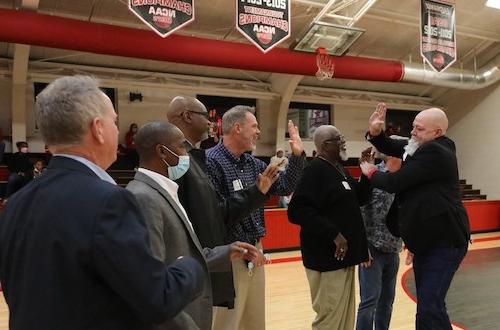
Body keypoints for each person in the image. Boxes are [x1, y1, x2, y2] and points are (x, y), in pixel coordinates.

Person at [0, 75, 204, 329]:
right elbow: (157, 299)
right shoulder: (109, 202)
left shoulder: (16, 203)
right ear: (97, 128)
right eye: (114, 122)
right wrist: (191, 265)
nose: (117, 130)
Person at [126, 121, 261, 330]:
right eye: (181, 146)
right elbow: (152, 284)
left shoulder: (165, 191)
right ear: (162, 151)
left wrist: (224, 252)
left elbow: (181, 253)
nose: (186, 154)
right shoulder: (143, 197)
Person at [360, 103, 470, 330]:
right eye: (413, 127)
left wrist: (371, 173)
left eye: (419, 129)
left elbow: (394, 182)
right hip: (429, 242)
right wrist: (375, 132)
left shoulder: (435, 152)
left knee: (430, 306)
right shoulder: (424, 144)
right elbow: (391, 145)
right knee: (428, 306)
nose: (412, 132)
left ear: (437, 132)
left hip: (445, 243)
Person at [166, 96, 277, 309]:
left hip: (227, 253)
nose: (210, 122)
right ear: (187, 116)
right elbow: (215, 215)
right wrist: (256, 193)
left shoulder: (195, 159)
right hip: (214, 255)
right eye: (204, 116)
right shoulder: (189, 162)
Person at [205, 105, 307, 330]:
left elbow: (285, 186)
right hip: (230, 254)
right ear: (238, 128)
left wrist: (297, 155)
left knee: (254, 321)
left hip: (255, 251)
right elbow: (218, 214)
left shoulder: (253, 164)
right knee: (227, 323)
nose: (259, 132)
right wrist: (257, 192)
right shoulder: (211, 162)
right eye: (255, 126)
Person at [287, 125, 369, 330]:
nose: (343, 142)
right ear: (325, 145)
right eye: (338, 139)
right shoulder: (315, 170)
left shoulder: (339, 169)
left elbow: (360, 198)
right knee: (330, 317)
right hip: (326, 258)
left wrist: (366, 172)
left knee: (344, 317)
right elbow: (297, 210)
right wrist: (333, 234)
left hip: (345, 258)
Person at [356, 150, 403, 330]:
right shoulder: (371, 174)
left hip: (393, 248)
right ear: (391, 157)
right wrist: (362, 248)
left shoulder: (404, 179)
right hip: (372, 250)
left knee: (387, 302)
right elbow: (358, 212)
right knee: (369, 302)